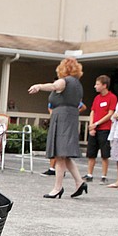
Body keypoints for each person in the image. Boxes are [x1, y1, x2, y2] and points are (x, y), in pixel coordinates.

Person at [28, 58, 87, 199]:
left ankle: (57, 188)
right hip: (70, 117)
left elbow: (55, 86)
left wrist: (39, 86)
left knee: (60, 155)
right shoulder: (77, 84)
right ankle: (80, 182)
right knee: (64, 155)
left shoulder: (65, 81)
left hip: (63, 117)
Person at [83, 75, 118, 183]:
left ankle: (104, 175)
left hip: (105, 129)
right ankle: (89, 174)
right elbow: (92, 111)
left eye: (97, 84)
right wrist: (91, 126)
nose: (95, 86)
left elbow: (110, 113)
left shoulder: (112, 97)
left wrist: (97, 123)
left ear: (104, 85)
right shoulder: (97, 98)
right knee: (91, 153)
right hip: (94, 129)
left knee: (104, 153)